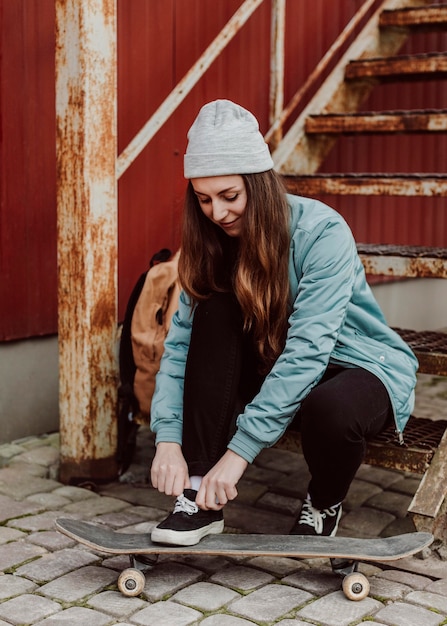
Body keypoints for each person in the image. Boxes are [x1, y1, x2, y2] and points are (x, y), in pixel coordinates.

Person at [149, 99, 418, 546]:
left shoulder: (321, 232)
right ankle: (198, 495)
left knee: (331, 410)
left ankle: (325, 502)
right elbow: (180, 348)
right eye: (204, 200)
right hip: (272, 361)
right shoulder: (212, 244)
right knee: (212, 314)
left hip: (358, 364)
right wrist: (168, 439)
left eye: (230, 196)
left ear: (260, 183)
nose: (217, 213)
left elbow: (309, 350)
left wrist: (239, 454)